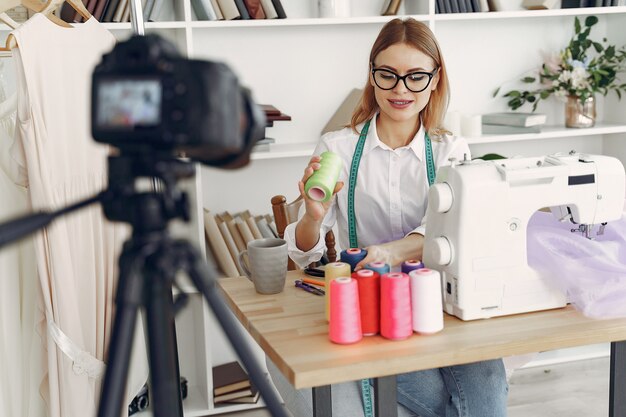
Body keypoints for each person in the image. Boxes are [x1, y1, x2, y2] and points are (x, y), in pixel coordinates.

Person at [266, 17, 509, 417]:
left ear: (434, 80)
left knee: (488, 388)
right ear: (372, 77)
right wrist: (313, 216)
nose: (400, 89)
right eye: (388, 75)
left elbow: (456, 229)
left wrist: (392, 251)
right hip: (371, 308)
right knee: (435, 397)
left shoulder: (451, 150)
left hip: (443, 306)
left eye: (416, 76)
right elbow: (306, 253)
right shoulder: (337, 149)